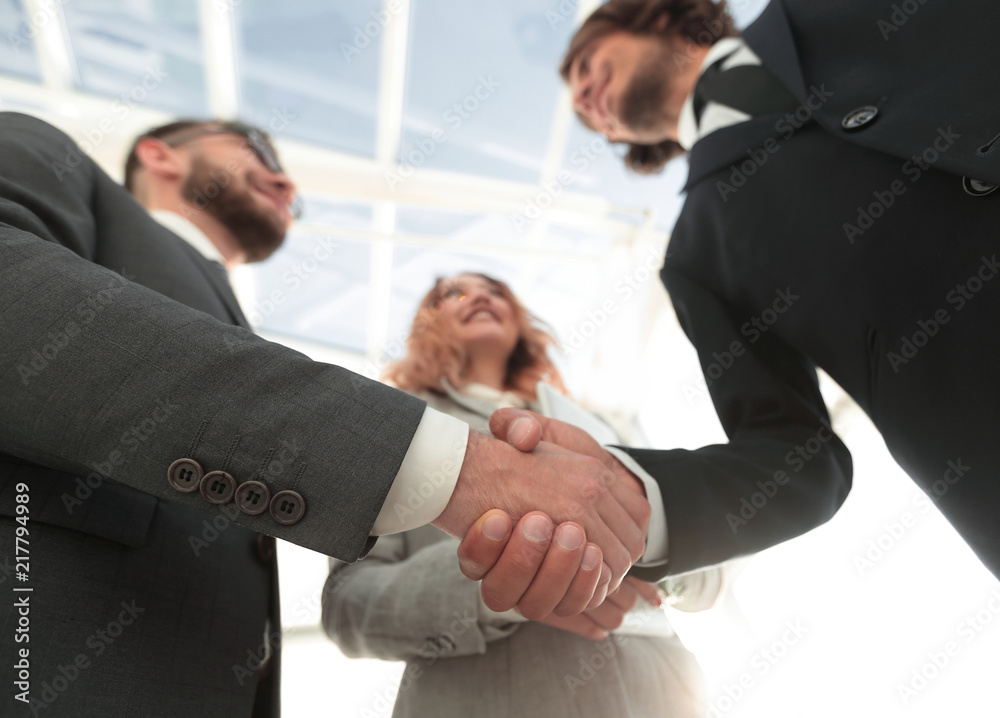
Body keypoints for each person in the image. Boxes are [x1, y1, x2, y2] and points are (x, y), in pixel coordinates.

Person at [0, 113, 648, 717]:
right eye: (254, 152)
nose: (286, 180)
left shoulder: (239, 327)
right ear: (158, 154)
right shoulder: (52, 158)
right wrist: (454, 474)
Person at [462, 0, 1000, 596]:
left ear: (653, 16)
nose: (585, 96)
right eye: (585, 111)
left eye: (587, 62)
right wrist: (637, 495)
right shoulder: (695, 259)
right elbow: (796, 457)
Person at [323, 273, 725, 718]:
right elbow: (348, 605)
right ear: (427, 323)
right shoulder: (395, 427)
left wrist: (646, 552)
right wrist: (508, 576)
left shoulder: (600, 424)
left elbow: (704, 579)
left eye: (495, 291)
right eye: (452, 294)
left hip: (663, 693)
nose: (478, 295)